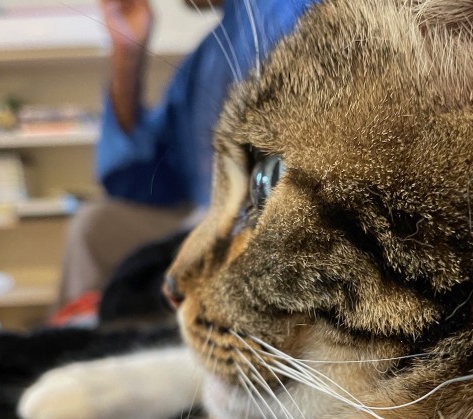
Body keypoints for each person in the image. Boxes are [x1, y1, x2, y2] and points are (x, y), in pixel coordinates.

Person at [57, 0, 314, 308]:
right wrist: (127, 52)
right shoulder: (209, 50)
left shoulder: (297, 14)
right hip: (201, 214)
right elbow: (142, 181)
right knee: (96, 227)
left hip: (261, 221)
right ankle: (81, 336)